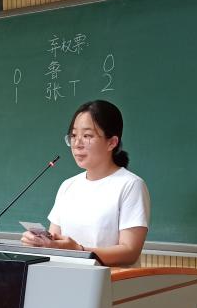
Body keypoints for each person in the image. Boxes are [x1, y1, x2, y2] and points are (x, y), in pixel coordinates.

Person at [21, 100, 150, 266]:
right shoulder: (68, 186)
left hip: (111, 280)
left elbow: (130, 252)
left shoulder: (130, 185)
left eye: (87, 136)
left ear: (112, 142)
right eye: (74, 136)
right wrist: (41, 242)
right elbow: (55, 239)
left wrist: (79, 250)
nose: (77, 144)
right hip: (65, 276)